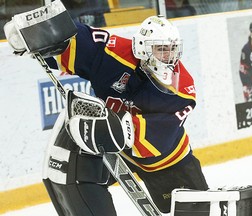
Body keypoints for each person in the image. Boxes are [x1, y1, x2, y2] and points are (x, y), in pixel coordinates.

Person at [4, 12, 208, 215]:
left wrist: (122, 128)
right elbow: (77, 42)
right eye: (160, 49)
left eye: (172, 50)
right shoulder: (114, 53)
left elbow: (162, 132)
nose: (167, 56)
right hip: (110, 147)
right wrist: (38, 35)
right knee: (73, 173)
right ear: (142, 48)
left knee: (197, 210)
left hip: (165, 159)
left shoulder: (182, 88)